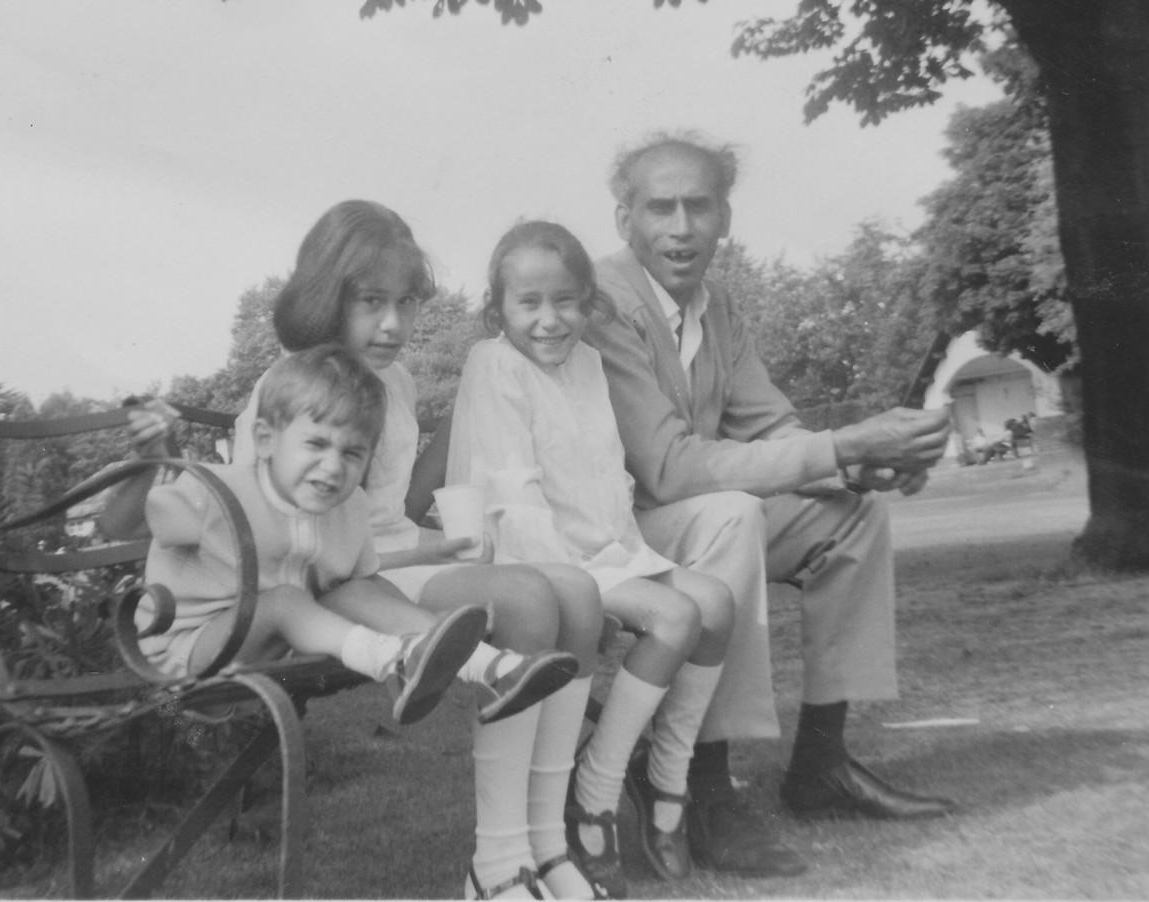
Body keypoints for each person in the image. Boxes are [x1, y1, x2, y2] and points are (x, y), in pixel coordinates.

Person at [583, 135, 956, 878]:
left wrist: (865, 466)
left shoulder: (717, 307)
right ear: (625, 219)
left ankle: (821, 764)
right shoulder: (602, 303)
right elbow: (668, 467)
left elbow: (772, 427)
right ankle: (702, 785)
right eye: (661, 208)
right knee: (731, 514)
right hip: (604, 533)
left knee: (849, 519)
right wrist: (844, 446)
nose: (682, 227)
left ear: (726, 217)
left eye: (700, 206)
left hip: (675, 524)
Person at [233, 201, 605, 901]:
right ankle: (496, 866)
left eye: (406, 304)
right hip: (326, 593)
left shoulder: (396, 382)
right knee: (523, 596)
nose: (395, 325)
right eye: (372, 303)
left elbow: (386, 518)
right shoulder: (291, 388)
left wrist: (447, 541)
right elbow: (300, 548)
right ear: (325, 297)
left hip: (388, 565)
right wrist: (432, 552)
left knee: (578, 593)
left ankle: (547, 847)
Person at [446, 220, 736, 894]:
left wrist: (628, 555)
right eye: (529, 304)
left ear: (588, 303)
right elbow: (512, 498)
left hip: (607, 546)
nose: (550, 321)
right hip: (538, 559)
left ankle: (666, 775)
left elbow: (604, 475)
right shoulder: (495, 365)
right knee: (670, 618)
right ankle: (597, 792)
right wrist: (585, 583)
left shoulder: (589, 363)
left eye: (567, 301)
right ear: (499, 311)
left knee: (715, 604)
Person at [132, 345, 498, 725]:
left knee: (352, 588)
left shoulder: (347, 507)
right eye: (316, 444)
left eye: (353, 453)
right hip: (182, 659)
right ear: (265, 440)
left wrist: (418, 620)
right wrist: (153, 470)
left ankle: (492, 668)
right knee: (285, 601)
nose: (333, 466)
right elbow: (133, 524)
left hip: (266, 649)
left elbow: (365, 586)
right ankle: (391, 656)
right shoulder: (220, 492)